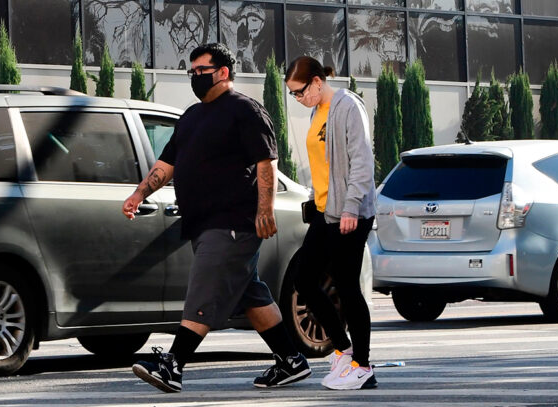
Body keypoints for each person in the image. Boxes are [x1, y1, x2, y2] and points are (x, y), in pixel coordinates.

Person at [122, 42, 309, 393]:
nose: (195, 77)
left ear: (223, 72)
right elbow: (166, 165)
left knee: (205, 288)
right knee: (248, 294)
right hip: (203, 222)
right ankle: (291, 360)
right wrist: (139, 193)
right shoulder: (191, 117)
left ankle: (173, 365)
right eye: (191, 72)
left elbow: (266, 162)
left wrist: (265, 210)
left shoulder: (245, 110)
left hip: (233, 222)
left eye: (201, 72)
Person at [285, 57, 377, 391]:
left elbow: (362, 162)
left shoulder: (348, 106)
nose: (298, 99)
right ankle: (343, 349)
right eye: (293, 94)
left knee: (347, 285)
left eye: (299, 92)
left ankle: (363, 366)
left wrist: (351, 207)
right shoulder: (316, 112)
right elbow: (322, 163)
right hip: (326, 212)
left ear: (317, 82)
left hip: (351, 213)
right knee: (305, 279)